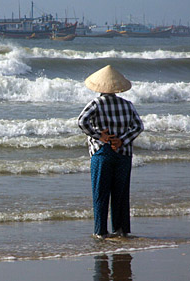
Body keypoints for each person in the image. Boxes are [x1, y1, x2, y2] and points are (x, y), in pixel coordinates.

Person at [78, 65, 144, 239]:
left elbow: (82, 122)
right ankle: (120, 230)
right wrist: (122, 139)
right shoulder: (127, 105)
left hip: (102, 152)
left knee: (100, 193)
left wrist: (101, 136)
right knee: (121, 194)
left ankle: (100, 232)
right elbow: (138, 126)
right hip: (123, 152)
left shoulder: (96, 103)